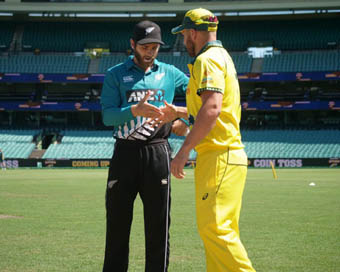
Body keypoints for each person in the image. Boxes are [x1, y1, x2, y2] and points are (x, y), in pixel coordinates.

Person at [161, 8, 256, 272]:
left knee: (216, 230)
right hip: (222, 156)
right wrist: (179, 112)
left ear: (193, 32)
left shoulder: (207, 60)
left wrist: (183, 151)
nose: (183, 41)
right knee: (216, 231)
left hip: (219, 156)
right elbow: (214, 108)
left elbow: (212, 109)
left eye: (183, 36)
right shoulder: (222, 56)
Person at [100, 20, 189, 272]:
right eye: (144, 46)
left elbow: (202, 97)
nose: (150, 51)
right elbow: (107, 116)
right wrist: (134, 110)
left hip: (158, 152)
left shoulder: (171, 73)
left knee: (158, 226)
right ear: (132, 45)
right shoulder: (115, 74)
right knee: (117, 224)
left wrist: (181, 118)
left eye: (154, 47)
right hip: (124, 154)